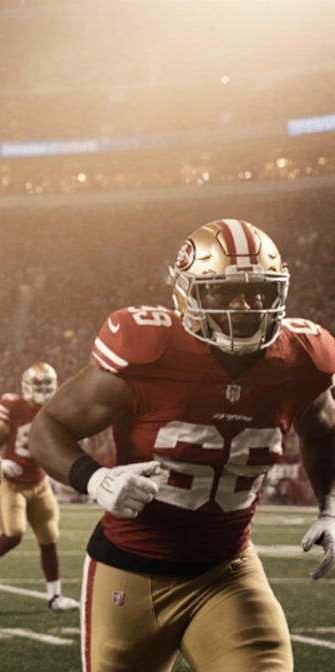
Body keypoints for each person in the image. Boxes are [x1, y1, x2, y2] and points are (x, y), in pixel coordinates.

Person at [29, 219, 335, 672]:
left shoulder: (299, 361)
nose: (244, 306)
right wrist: (94, 479)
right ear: (187, 294)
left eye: (258, 292)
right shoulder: (150, 352)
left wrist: (329, 507)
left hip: (229, 570)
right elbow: (46, 427)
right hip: (131, 571)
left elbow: (325, 431)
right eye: (223, 292)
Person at [0, 363, 79, 612]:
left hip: (40, 482)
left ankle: (55, 597)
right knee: (14, 533)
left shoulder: (56, 410)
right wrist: (2, 463)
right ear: (26, 387)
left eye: (48, 386)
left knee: (49, 537)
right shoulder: (14, 407)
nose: (44, 391)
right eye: (39, 386)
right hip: (13, 484)